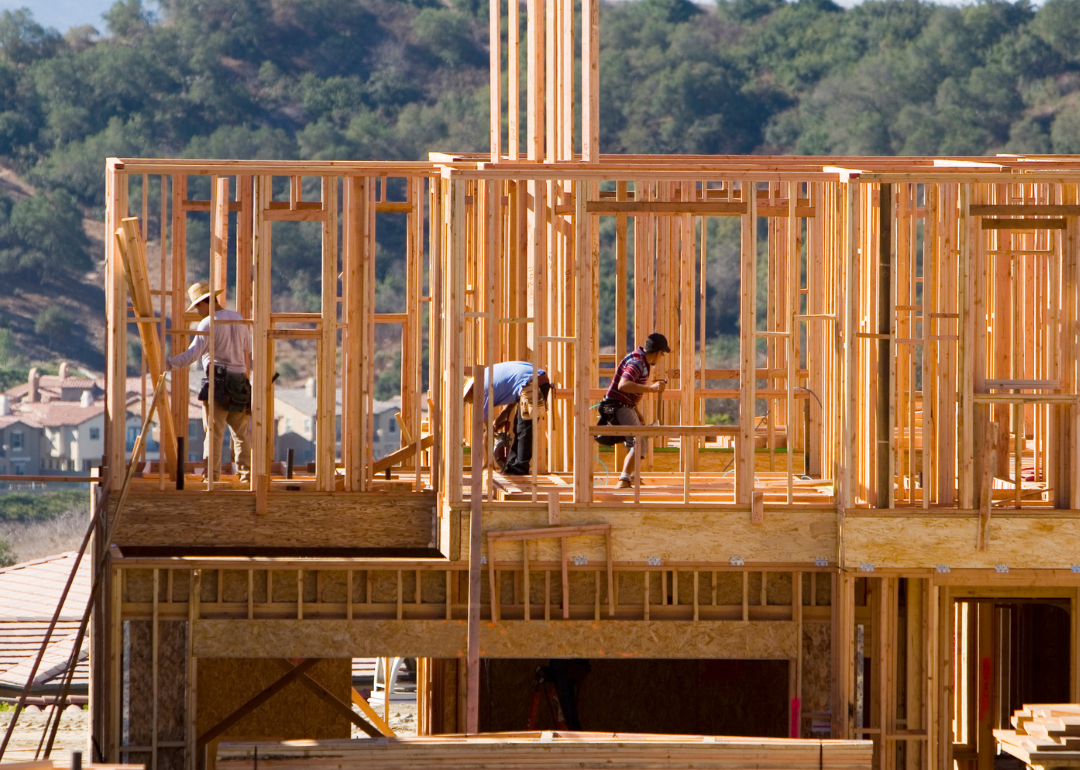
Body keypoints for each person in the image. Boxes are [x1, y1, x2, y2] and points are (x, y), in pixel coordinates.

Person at [166, 281, 252, 482]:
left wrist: (168, 364)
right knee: (241, 434)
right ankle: (247, 477)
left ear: (205, 302)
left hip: (219, 382)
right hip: (239, 381)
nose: (197, 311)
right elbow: (248, 348)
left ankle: (212, 478)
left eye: (197, 306)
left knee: (214, 433)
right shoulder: (238, 318)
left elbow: (192, 354)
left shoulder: (208, 322)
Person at [597, 332, 670, 489]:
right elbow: (623, 385)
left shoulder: (641, 362)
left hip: (625, 405)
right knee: (637, 440)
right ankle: (624, 479)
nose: (661, 357)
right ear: (658, 353)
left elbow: (627, 393)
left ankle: (633, 476)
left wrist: (637, 413)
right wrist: (650, 388)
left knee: (640, 438)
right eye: (662, 354)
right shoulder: (637, 363)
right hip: (617, 405)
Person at [464, 361, 552, 475]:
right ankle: (512, 465)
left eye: (466, 399)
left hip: (533, 384)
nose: (468, 403)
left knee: (524, 428)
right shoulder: (485, 378)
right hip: (531, 382)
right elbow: (515, 388)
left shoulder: (482, 391)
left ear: (470, 391)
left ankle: (520, 467)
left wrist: (487, 462)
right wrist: (505, 413)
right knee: (519, 426)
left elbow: (487, 432)